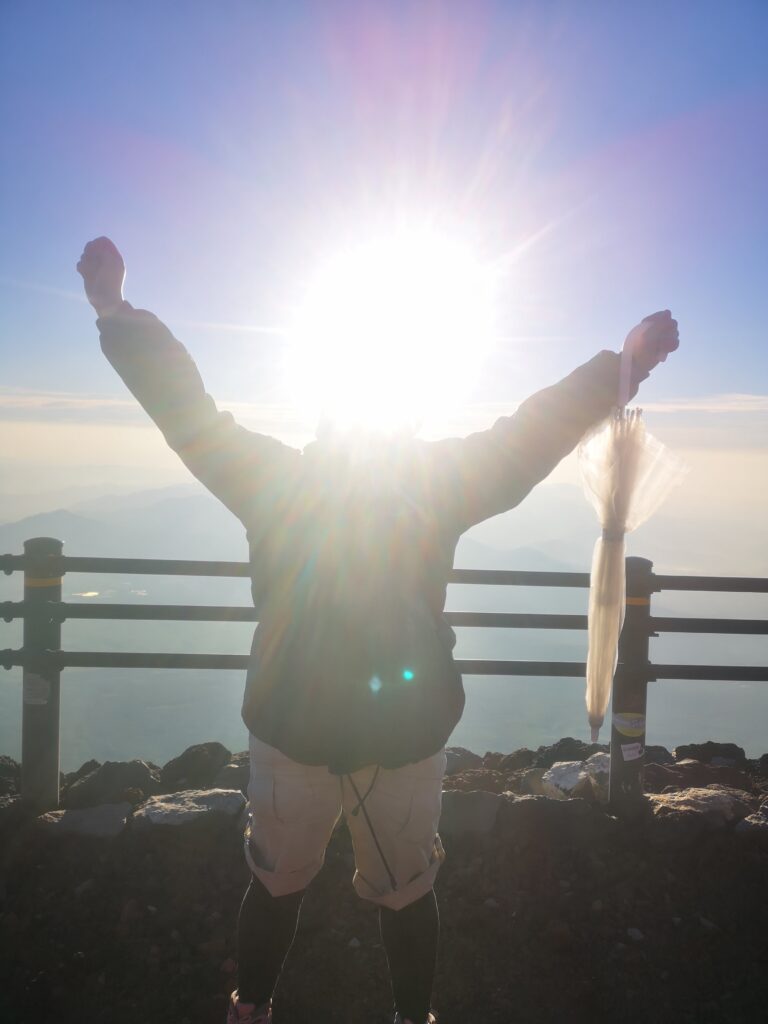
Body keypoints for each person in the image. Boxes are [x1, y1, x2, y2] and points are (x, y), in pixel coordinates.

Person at [77, 236, 679, 1024]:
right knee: (404, 892)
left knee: (279, 881)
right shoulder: (434, 487)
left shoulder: (278, 483)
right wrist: (621, 367)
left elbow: (188, 413)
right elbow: (531, 433)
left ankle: (251, 1010)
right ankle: (403, 1017)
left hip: (294, 724)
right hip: (402, 730)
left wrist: (115, 313)